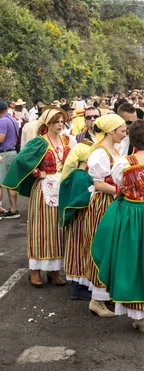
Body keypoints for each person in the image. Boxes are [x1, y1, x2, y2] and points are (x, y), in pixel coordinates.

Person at [91, 120, 144, 332]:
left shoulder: (124, 163)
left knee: (133, 259)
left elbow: (119, 183)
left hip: (130, 213)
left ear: (131, 139)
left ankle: (140, 317)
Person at [3, 107, 71, 287]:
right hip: (42, 190)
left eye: (61, 122)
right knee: (41, 229)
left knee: (58, 229)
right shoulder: (40, 142)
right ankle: (34, 271)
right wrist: (36, 171)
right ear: (47, 124)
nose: (59, 125)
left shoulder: (66, 140)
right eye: (56, 122)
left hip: (60, 188)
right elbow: (21, 160)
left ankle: (54, 271)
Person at [84, 114, 127, 317]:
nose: (124, 133)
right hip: (103, 203)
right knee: (102, 245)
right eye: (122, 130)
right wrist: (120, 190)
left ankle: (106, 294)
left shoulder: (114, 150)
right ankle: (96, 299)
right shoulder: (99, 153)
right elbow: (98, 183)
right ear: (111, 131)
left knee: (113, 247)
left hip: (113, 201)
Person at [59, 138, 96, 300]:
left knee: (78, 249)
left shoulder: (76, 174)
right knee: (80, 250)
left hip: (77, 221)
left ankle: (79, 285)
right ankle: (78, 286)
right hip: (80, 220)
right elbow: (81, 199)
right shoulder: (81, 177)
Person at [0, 100, 20, 218]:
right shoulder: (13, 120)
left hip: (3, 154)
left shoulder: (2, 121)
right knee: (11, 183)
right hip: (12, 152)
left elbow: (1, 138)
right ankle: (13, 209)